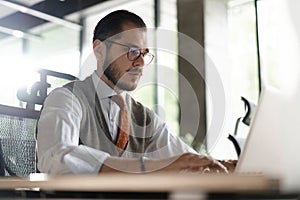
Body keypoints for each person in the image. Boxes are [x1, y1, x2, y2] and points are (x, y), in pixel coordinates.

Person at [37, 10, 235, 175]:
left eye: (144, 53)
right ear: (99, 51)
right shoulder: (67, 98)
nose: (140, 62)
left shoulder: (144, 117)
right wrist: (149, 167)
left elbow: (187, 159)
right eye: (132, 51)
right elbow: (56, 157)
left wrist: (225, 166)